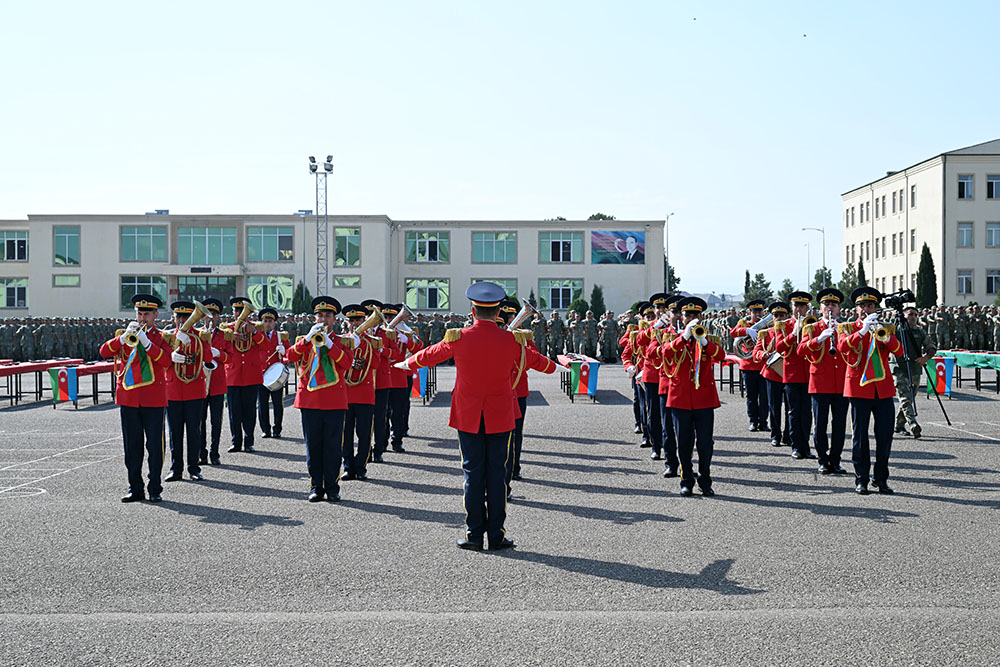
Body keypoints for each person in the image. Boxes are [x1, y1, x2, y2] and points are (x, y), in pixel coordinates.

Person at [393, 282, 564, 551]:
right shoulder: (513, 341)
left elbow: (429, 354)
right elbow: (542, 364)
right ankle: (496, 535)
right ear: (498, 312)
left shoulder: (458, 337)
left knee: (472, 475)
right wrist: (559, 366)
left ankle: (474, 534)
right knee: (497, 475)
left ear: (472, 310)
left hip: (469, 416)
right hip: (501, 416)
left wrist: (406, 363)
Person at [99, 294, 173, 503]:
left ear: (156, 315)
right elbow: (104, 351)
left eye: (146, 314)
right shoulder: (126, 335)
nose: (142, 318)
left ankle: (155, 488)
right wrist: (122, 339)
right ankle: (135, 487)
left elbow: (167, 362)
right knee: (132, 447)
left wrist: (148, 344)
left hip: (154, 400)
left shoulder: (161, 337)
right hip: (129, 399)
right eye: (139, 314)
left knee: (155, 448)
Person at [283, 296, 354, 502]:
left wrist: (330, 344)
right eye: (320, 315)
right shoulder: (303, 341)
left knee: (333, 447)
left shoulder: (342, 341)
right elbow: (290, 357)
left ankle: (332, 487)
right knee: (313, 447)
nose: (323, 319)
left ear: (334, 319)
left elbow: (347, 363)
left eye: (328, 316)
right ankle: (316, 486)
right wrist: (306, 340)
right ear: (314, 318)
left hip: (334, 401)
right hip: (310, 400)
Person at [838, 287, 905, 495]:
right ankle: (861, 479)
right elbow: (842, 347)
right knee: (859, 437)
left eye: (871, 306)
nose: (867, 309)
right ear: (856, 309)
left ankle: (881, 478)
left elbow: (900, 351)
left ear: (876, 308)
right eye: (863, 306)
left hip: (883, 389)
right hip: (859, 388)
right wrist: (862, 331)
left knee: (885, 436)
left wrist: (886, 338)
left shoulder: (886, 327)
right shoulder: (847, 328)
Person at [658, 296, 726, 496]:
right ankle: (686, 480)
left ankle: (705, 480)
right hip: (680, 398)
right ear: (682, 317)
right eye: (688, 315)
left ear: (701, 317)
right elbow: (663, 354)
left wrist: (704, 342)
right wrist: (684, 337)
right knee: (684, 442)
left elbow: (721, 356)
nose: (692, 318)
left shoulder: (709, 339)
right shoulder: (672, 337)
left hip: (704, 398)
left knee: (705, 443)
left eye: (695, 315)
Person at [798, 288, 849, 474]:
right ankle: (822, 459)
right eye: (826, 305)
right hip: (820, 383)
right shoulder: (812, 328)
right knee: (820, 424)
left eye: (833, 305)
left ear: (839, 309)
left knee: (839, 424)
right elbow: (800, 350)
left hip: (841, 384)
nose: (830, 308)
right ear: (820, 308)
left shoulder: (845, 327)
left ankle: (835, 460)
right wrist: (819, 339)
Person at [162, 301, 210, 482]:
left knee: (194, 432)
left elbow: (208, 357)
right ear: (173, 318)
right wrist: (172, 354)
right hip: (173, 390)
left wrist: (195, 344)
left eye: (186, 317)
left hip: (194, 391)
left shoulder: (200, 336)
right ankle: (176, 468)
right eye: (179, 317)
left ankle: (194, 468)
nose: (182, 321)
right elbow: (162, 360)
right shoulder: (166, 336)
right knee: (174, 433)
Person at [340, 304, 379, 481]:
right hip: (345, 394)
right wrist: (351, 359)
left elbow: (377, 364)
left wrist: (362, 353)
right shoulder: (341, 341)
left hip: (365, 394)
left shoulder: (371, 341)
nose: (354, 323)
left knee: (364, 434)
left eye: (358, 320)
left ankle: (361, 466)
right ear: (347, 323)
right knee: (345, 433)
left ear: (364, 321)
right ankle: (348, 466)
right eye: (351, 320)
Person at [775, 291, 815, 460]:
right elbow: (779, 347)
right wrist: (793, 334)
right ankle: (796, 446)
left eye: (802, 306)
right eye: (795, 306)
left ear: (807, 308)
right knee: (793, 411)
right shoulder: (783, 325)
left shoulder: (813, 323)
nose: (798, 309)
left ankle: (806, 446)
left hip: (809, 374)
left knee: (807, 413)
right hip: (792, 374)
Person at [223, 297, 265, 453]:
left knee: (249, 410)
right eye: (237, 311)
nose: (240, 314)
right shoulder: (227, 329)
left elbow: (265, 346)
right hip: (233, 375)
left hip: (251, 374)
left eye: (243, 311)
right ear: (233, 312)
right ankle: (236, 441)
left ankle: (249, 441)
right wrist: (231, 338)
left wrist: (254, 333)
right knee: (234, 411)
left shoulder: (256, 327)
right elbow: (220, 349)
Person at [892, 306, 936, 439]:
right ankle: (913, 424)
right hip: (899, 369)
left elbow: (932, 347)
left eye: (915, 315)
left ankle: (899, 425)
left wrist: (925, 358)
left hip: (915, 369)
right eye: (910, 314)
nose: (913, 317)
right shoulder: (896, 330)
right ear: (904, 316)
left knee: (909, 398)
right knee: (905, 398)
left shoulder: (920, 331)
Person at [753, 302, 791, 448]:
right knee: (774, 407)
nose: (779, 318)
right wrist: (764, 354)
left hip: (789, 374)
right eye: (776, 316)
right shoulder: (766, 334)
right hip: (773, 373)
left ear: (787, 316)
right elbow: (756, 352)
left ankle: (788, 435)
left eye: (782, 315)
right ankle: (775, 435)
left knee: (790, 408)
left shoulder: (793, 331)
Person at [197, 298, 229, 466]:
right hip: (200, 382)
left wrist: (219, 354)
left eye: (214, 315)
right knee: (200, 420)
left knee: (216, 421)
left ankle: (214, 452)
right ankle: (201, 453)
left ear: (218, 317)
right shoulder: (196, 334)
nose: (210, 318)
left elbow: (229, 357)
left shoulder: (224, 335)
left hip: (217, 382)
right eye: (207, 314)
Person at [730, 299, 769, 432]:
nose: (757, 314)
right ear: (750, 312)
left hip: (764, 366)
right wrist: (747, 331)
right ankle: (753, 420)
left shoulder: (766, 326)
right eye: (755, 311)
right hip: (748, 366)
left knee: (764, 397)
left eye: (759, 311)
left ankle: (763, 421)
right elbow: (733, 333)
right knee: (751, 396)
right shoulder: (744, 324)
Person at [257, 308, 287, 439]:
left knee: (278, 404)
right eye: (265, 321)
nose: (267, 324)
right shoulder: (257, 336)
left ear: (275, 323)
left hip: (276, 376)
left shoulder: (281, 336)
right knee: (262, 404)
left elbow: (291, 354)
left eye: (270, 321)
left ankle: (277, 429)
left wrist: (284, 351)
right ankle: (265, 429)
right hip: (260, 375)